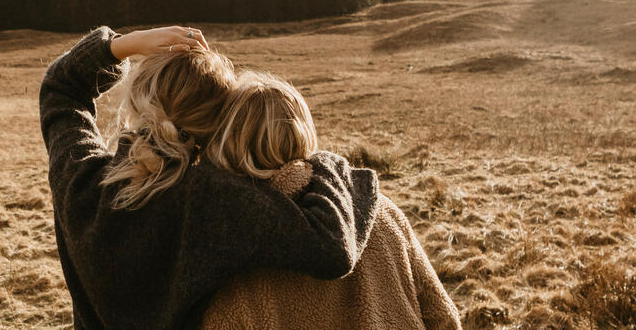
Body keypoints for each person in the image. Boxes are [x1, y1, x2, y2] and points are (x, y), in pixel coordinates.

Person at [40, 26, 379, 330]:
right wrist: (326, 163)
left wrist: (125, 43)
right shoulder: (214, 199)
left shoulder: (79, 178)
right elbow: (332, 247)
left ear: (135, 104)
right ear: (217, 130)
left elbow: (61, 88)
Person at [200, 71, 461, 330]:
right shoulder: (380, 210)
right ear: (304, 132)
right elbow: (443, 318)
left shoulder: (234, 240)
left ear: (226, 140)